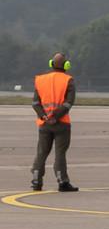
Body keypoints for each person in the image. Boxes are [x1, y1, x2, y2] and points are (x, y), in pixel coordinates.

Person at [30, 53, 79, 193]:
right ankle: (62, 181)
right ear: (66, 65)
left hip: (44, 124)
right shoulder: (68, 80)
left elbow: (35, 103)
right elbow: (68, 103)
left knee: (41, 152)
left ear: (51, 64)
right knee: (60, 153)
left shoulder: (40, 80)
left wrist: (44, 116)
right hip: (61, 123)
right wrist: (55, 117)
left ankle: (36, 180)